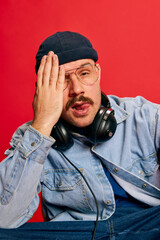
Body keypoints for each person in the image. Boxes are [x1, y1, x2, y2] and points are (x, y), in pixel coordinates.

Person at [0, 31, 160, 239]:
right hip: (79, 234)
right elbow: (4, 218)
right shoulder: (31, 138)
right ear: (44, 89)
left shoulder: (145, 117)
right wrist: (42, 126)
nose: (77, 89)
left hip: (148, 225)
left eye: (84, 73)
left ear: (98, 73)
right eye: (62, 80)